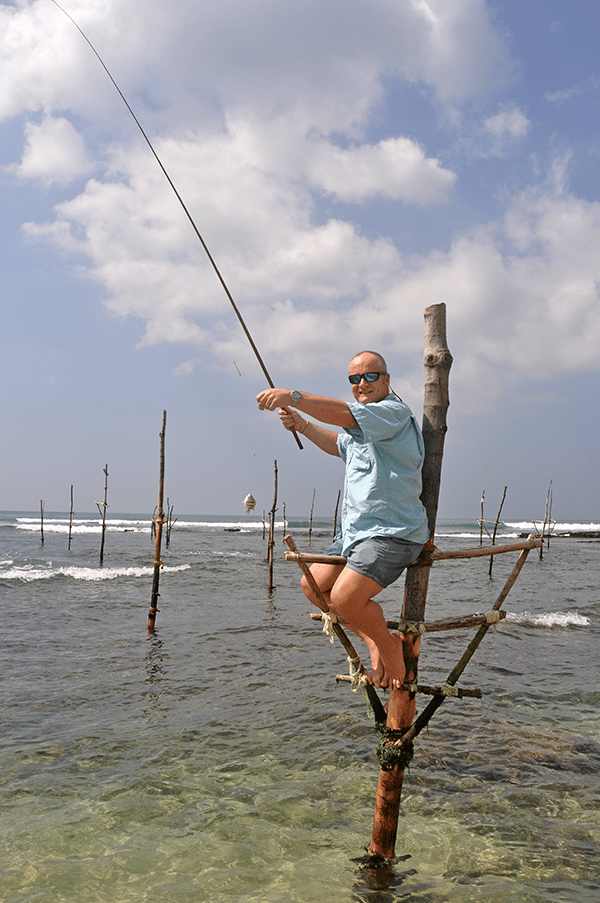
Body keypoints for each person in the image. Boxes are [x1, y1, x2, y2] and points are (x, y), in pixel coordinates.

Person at [256, 351, 429, 690]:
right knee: (312, 585)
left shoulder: (393, 413)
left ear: (387, 379)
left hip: (392, 531)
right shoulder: (362, 425)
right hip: (355, 532)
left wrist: (295, 397)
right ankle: (374, 640)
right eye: (354, 379)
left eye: (370, 376)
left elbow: (344, 415)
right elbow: (340, 444)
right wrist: (302, 425)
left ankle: (392, 648)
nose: (362, 384)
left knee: (347, 598)